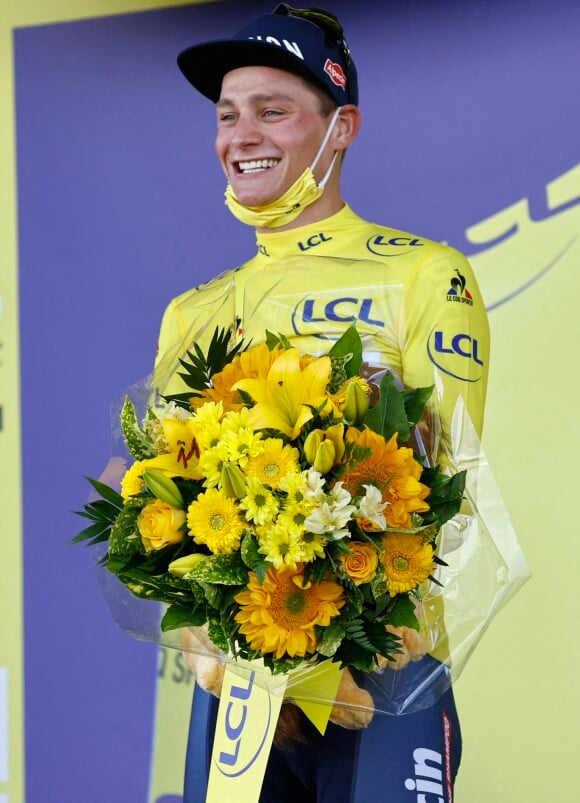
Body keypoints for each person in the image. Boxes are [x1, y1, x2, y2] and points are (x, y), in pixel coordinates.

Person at [154, 5, 490, 801]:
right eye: (228, 115)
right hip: (240, 691)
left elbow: (447, 486)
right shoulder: (190, 312)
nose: (242, 136)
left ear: (341, 128)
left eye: (273, 111)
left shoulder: (423, 275)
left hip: (384, 676)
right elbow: (165, 501)